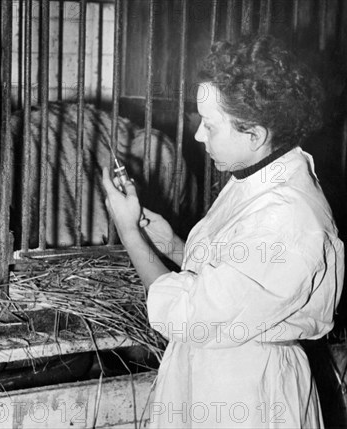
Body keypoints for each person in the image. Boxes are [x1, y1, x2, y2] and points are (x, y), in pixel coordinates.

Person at [102, 34, 344, 428]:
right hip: (218, 373)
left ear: (255, 134)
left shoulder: (288, 213)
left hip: (248, 391)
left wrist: (129, 234)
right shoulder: (257, 176)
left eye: (210, 126)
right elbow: (231, 280)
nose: (198, 135)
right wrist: (165, 241)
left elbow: (191, 313)